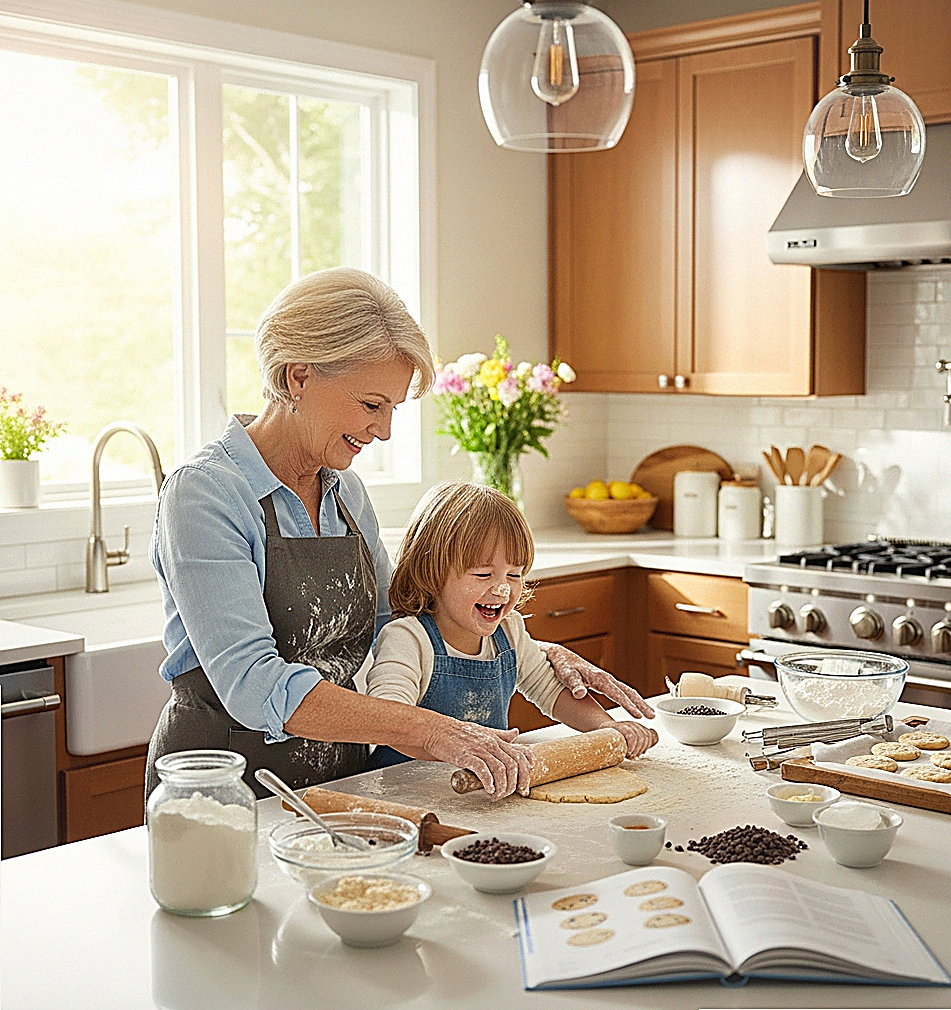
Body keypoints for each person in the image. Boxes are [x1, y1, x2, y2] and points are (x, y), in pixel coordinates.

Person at [146, 267, 653, 801]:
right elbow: (253, 684)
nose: (384, 430)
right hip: (223, 792)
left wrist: (531, 651)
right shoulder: (205, 495)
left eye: (391, 408)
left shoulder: (345, 491)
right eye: (371, 404)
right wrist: (439, 732)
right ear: (299, 377)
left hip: (342, 784)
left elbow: (412, 621)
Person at [364, 482, 658, 773]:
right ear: (431, 571)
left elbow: (552, 689)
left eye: (514, 575)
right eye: (483, 574)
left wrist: (606, 727)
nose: (503, 589)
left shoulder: (509, 631)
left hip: (481, 791)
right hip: (403, 791)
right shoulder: (408, 639)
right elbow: (387, 718)